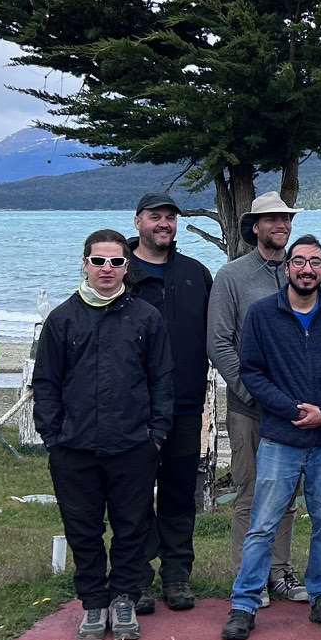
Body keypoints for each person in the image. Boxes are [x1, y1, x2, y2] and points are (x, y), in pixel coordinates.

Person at [33, 230, 173, 640]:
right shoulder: (62, 318)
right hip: (74, 448)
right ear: (84, 263)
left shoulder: (146, 317)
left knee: (132, 527)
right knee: (83, 528)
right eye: (99, 261)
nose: (107, 269)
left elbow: (162, 380)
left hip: (133, 445)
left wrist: (157, 435)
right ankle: (94, 602)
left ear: (127, 266)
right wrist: (52, 437)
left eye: (115, 262)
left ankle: (125, 598)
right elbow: (46, 383)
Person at [222, 235, 321, 640]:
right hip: (280, 437)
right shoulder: (263, 315)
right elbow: (252, 372)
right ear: (287, 269)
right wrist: (290, 409)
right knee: (263, 523)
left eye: (315, 262)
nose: (306, 269)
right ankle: (244, 603)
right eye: (298, 261)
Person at [207, 191, 307, 607]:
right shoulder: (232, 276)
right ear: (255, 226)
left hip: (293, 409)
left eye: (285, 219)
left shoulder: (299, 272)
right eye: (271, 220)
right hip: (249, 408)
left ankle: (280, 573)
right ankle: (247, 578)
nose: (280, 225)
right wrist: (252, 390)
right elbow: (218, 342)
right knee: (249, 494)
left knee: (285, 496)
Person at [124, 191, 213, 613]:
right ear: (138, 221)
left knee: (179, 493)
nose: (164, 224)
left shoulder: (196, 273)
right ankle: (137, 577)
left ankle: (177, 575)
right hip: (131, 407)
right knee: (135, 494)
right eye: (155, 217)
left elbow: (215, 338)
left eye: (170, 218)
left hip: (184, 402)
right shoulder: (117, 272)